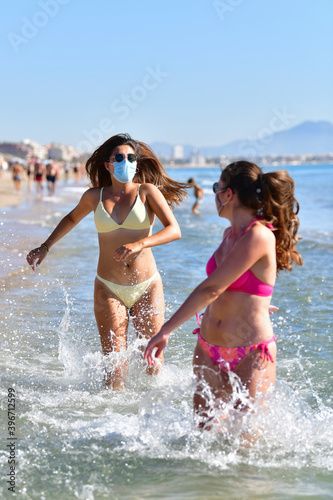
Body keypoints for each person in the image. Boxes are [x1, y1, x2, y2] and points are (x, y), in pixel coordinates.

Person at [145, 161, 303, 433]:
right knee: (201, 439)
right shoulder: (228, 234)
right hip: (208, 347)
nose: (214, 194)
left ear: (229, 194)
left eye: (217, 187)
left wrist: (165, 330)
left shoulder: (260, 235)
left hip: (251, 352)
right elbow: (230, 285)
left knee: (245, 451)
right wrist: (253, 299)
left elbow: (211, 289)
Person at [26, 133, 188, 390]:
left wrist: (140, 243)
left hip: (147, 285)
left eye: (131, 157)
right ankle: (111, 419)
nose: (127, 161)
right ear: (108, 165)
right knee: (114, 367)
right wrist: (46, 246)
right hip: (108, 286)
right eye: (120, 157)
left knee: (153, 362)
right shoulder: (95, 196)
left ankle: (151, 416)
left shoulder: (147, 191)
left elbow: (174, 229)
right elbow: (71, 219)